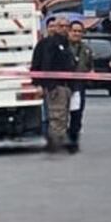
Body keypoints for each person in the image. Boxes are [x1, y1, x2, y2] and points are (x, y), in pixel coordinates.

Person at [30, 15, 75, 152]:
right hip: (55, 86)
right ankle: (56, 145)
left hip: (67, 86)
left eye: (66, 26)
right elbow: (41, 65)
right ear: (54, 27)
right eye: (60, 26)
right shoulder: (48, 43)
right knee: (56, 117)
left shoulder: (66, 43)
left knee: (63, 117)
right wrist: (44, 85)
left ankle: (59, 141)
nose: (63, 29)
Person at [67, 20, 94, 151]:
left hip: (79, 86)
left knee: (77, 113)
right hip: (64, 85)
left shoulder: (86, 49)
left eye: (79, 31)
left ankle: (74, 138)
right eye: (74, 31)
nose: (76, 34)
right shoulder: (64, 47)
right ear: (69, 32)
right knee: (62, 114)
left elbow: (90, 66)